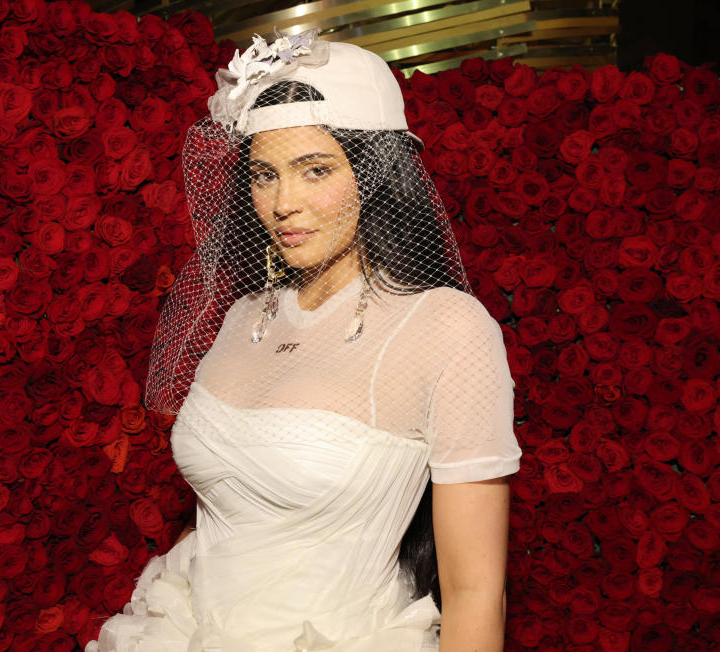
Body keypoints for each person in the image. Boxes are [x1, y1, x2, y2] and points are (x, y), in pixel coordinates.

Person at [87, 29, 522, 652]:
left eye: (314, 170)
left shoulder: (446, 328)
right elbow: (219, 513)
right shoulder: (244, 315)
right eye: (264, 176)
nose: (283, 203)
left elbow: (475, 590)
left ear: (375, 176)